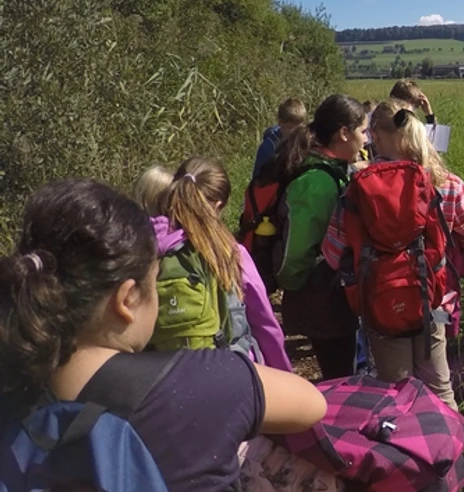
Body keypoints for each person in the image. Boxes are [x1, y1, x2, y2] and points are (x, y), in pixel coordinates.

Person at [0, 179, 325, 492]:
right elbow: (311, 405)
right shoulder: (203, 382)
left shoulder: (14, 388)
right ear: (127, 300)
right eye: (153, 281)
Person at [322, 100, 464, 409]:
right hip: (433, 299)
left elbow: (334, 253)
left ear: (375, 134)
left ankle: (405, 451)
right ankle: (451, 454)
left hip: (381, 305)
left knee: (396, 398)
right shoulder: (445, 182)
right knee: (441, 391)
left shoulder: (357, 188)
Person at [149, 156, 292, 371]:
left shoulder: (143, 246)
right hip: (230, 372)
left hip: (161, 377)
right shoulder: (229, 252)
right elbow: (264, 323)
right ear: (217, 205)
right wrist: (284, 373)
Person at [271, 93, 367, 380]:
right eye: (363, 131)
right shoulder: (317, 183)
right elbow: (296, 251)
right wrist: (294, 285)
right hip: (322, 297)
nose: (366, 140)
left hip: (328, 293)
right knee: (339, 377)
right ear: (344, 133)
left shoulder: (332, 172)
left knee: (340, 370)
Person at [252, 97, 307, 180]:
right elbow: (257, 177)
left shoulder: (305, 142)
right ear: (280, 123)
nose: (294, 132)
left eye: (298, 128)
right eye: (289, 128)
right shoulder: (269, 146)